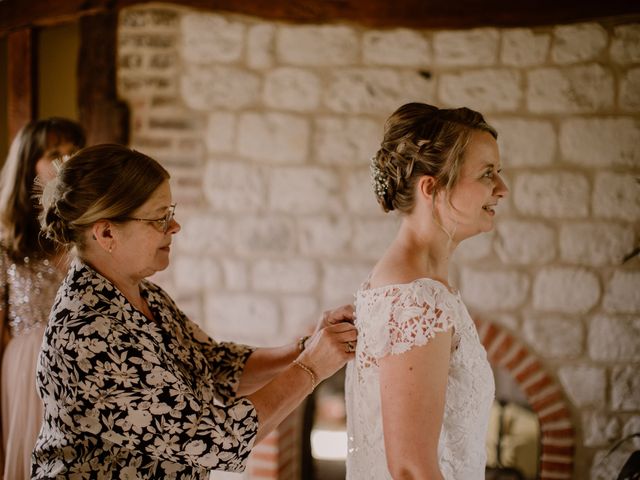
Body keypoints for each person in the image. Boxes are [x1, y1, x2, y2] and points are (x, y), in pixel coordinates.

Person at [33, 143, 357, 479]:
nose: (175, 227)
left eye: (169, 213)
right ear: (106, 233)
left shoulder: (144, 294)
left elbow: (217, 365)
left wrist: (306, 346)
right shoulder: (87, 334)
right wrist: (312, 368)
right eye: (160, 218)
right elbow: (217, 441)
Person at [345, 103, 509, 479]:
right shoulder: (415, 299)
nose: (502, 188)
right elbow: (411, 469)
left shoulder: (416, 283)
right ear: (432, 188)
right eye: (487, 174)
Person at [0, 117, 86, 479]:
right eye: (53, 153)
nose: (65, 160)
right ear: (28, 163)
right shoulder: (7, 236)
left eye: (72, 151)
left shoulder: (87, 227)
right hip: (28, 364)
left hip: (83, 357)